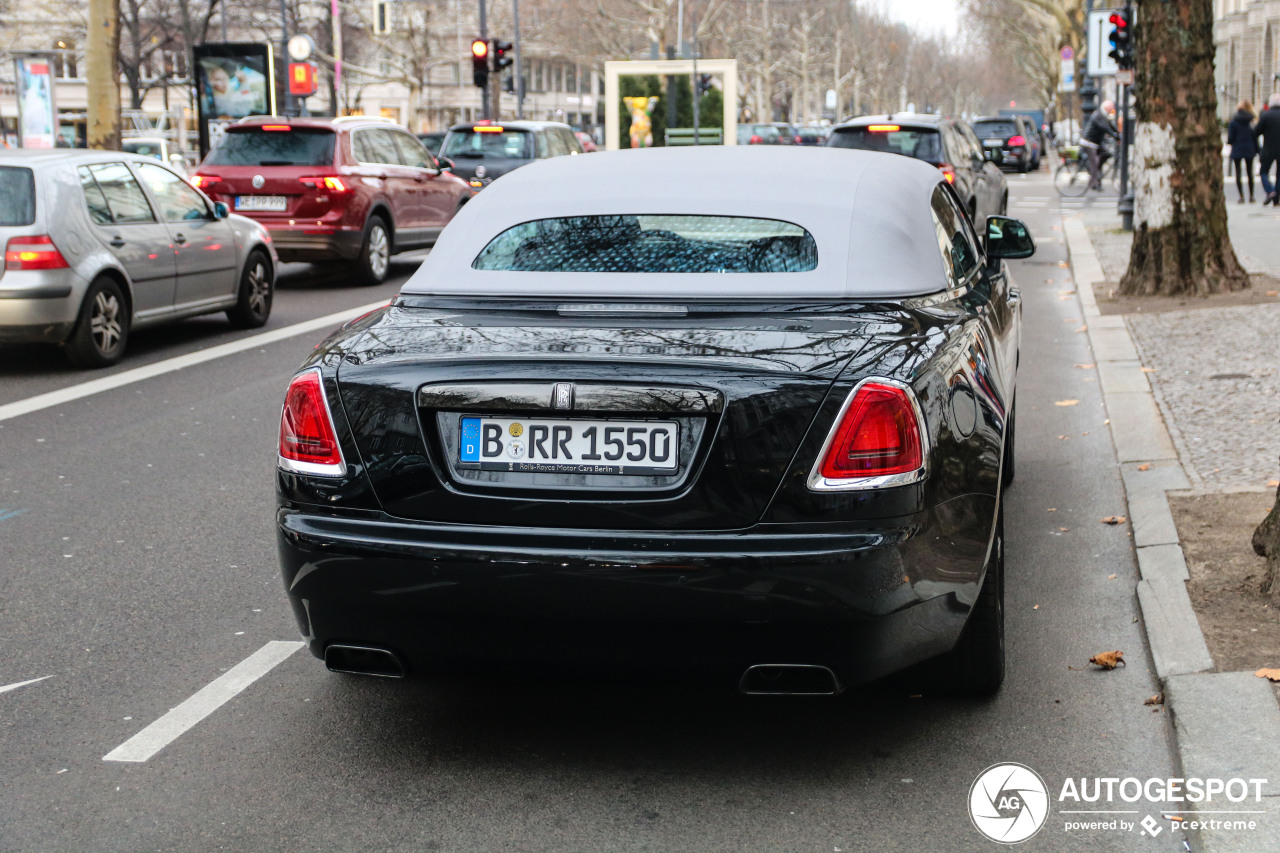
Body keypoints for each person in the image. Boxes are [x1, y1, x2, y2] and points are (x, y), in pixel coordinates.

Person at [1081, 100, 1120, 192]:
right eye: (1111, 108)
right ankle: (1093, 182)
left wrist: (1118, 134)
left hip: (1096, 143)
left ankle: (1097, 171)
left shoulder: (1105, 115)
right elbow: (1105, 127)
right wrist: (1115, 136)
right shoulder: (1098, 115)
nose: (1113, 109)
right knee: (1094, 161)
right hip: (1089, 142)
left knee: (1107, 154)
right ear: (1106, 108)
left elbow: (1111, 125)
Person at [1227, 100, 1259, 203]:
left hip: (1237, 148)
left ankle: (1241, 196)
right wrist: (1258, 149)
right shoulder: (1251, 121)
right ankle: (1251, 195)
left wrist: (1230, 142)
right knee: (1250, 173)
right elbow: (1255, 136)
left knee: (1238, 172)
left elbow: (1230, 138)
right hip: (1249, 148)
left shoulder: (1234, 121)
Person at [1256, 94, 1280, 205]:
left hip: (1268, 148)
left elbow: (1256, 131)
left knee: (1263, 172)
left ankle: (1270, 191)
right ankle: (1276, 199)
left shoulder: (1265, 115)